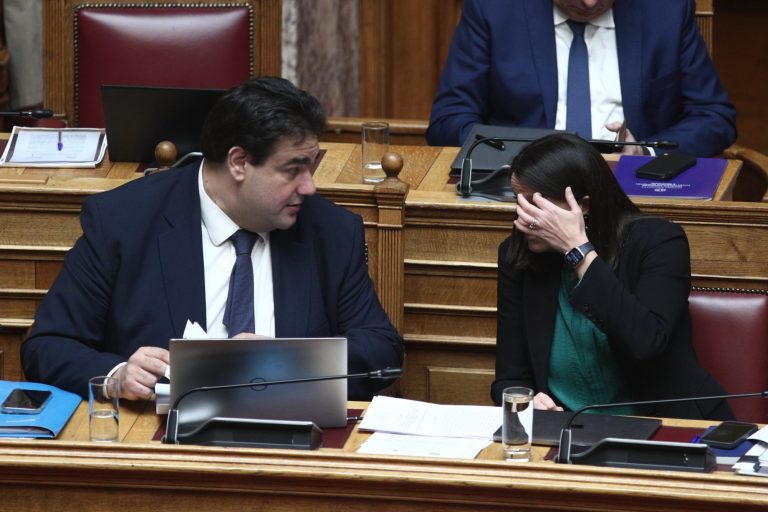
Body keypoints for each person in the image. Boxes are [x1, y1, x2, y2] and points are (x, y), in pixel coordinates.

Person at [22, 77, 404, 401]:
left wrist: (288, 359)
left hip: (294, 437)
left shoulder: (329, 230)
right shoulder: (125, 222)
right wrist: (116, 375)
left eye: (312, 166)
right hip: (159, 443)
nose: (310, 187)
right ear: (239, 162)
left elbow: (381, 350)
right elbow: (48, 345)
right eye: (293, 170)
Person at [492, 133, 733, 420]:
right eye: (518, 201)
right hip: (568, 429)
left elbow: (646, 342)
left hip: (666, 423)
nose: (521, 218)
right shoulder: (516, 255)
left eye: (536, 205)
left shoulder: (659, 241)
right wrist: (527, 402)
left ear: (583, 206)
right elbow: (509, 377)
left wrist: (578, 251)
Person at [427, 0, 737, 158]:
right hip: (522, 196)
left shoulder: (665, 10)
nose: (589, 4)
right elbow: (448, 120)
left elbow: (714, 117)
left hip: (635, 198)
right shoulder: (495, 9)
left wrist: (644, 152)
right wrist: (520, 153)